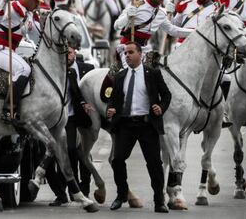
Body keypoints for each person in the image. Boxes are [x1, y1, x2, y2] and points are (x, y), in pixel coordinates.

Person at [107, 41, 171, 213]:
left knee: (154, 163)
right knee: (117, 160)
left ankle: (159, 200)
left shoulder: (153, 73)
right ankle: (121, 195)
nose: (127, 55)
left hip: (147, 125)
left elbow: (166, 95)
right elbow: (113, 99)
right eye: (125, 53)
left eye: (130, 52)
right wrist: (111, 109)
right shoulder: (120, 76)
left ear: (140, 54)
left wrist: (161, 108)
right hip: (126, 124)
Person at [0, 0, 44, 127]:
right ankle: (8, 110)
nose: (37, 4)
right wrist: (3, 1)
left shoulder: (29, 13)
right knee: (24, 70)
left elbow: (38, 33)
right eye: (35, 0)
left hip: (10, 50)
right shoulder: (12, 7)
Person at [46, 46, 94, 206]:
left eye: (70, 53)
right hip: (51, 121)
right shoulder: (51, 73)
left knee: (73, 150)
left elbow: (78, 94)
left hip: (73, 119)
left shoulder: (74, 72)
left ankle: (79, 189)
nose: (67, 56)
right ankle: (61, 194)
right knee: (48, 161)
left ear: (75, 54)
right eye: (64, 53)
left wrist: (84, 104)